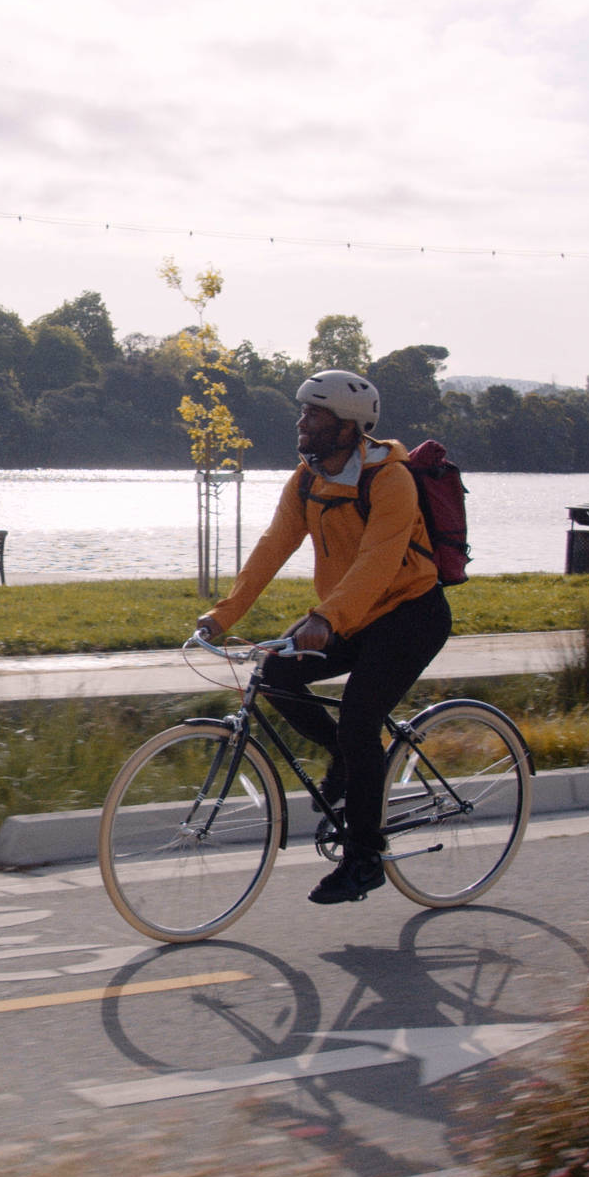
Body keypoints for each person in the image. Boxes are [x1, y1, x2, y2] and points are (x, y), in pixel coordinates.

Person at [194, 369, 452, 905]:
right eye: (303, 411)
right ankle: (346, 755)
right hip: (349, 615)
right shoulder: (307, 479)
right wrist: (224, 615)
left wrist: (326, 619)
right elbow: (272, 547)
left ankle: (364, 860)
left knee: (360, 716)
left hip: (410, 614)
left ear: (349, 428)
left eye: (315, 414)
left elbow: (378, 563)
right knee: (274, 674)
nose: (302, 423)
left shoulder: (390, 479)